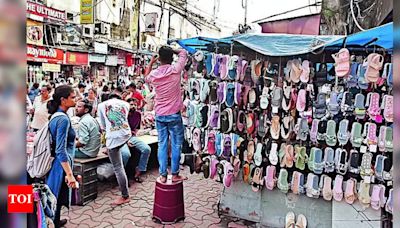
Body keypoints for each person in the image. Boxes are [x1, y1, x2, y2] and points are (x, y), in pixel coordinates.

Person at [144, 45, 187, 183]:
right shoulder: (175, 70)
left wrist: (151, 62)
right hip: (174, 114)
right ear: (172, 58)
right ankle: (174, 174)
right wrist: (172, 51)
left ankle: (162, 175)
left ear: (159, 59)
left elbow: (146, 78)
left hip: (160, 114)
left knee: (162, 144)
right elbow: (183, 52)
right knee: (176, 145)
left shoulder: (154, 75)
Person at [46, 85, 78, 227]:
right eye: (73, 97)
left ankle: (56, 221)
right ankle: (51, 223)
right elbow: (60, 149)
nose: (76, 99)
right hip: (60, 165)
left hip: (59, 163)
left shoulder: (57, 116)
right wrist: (69, 174)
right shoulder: (63, 119)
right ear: (63, 100)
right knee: (55, 196)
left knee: (58, 196)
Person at [97, 92, 131, 205]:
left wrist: (107, 143)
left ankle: (125, 195)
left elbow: (103, 126)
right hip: (126, 134)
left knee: (118, 167)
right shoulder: (125, 104)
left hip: (113, 138)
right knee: (119, 157)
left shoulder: (102, 105)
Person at [122, 98, 151, 182]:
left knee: (146, 149)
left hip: (132, 137)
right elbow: (120, 131)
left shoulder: (138, 114)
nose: (133, 106)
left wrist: (133, 135)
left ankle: (138, 171)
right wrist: (126, 141)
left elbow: (137, 129)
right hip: (122, 138)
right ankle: (121, 174)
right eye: (131, 104)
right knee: (126, 154)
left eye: (135, 104)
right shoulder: (123, 115)